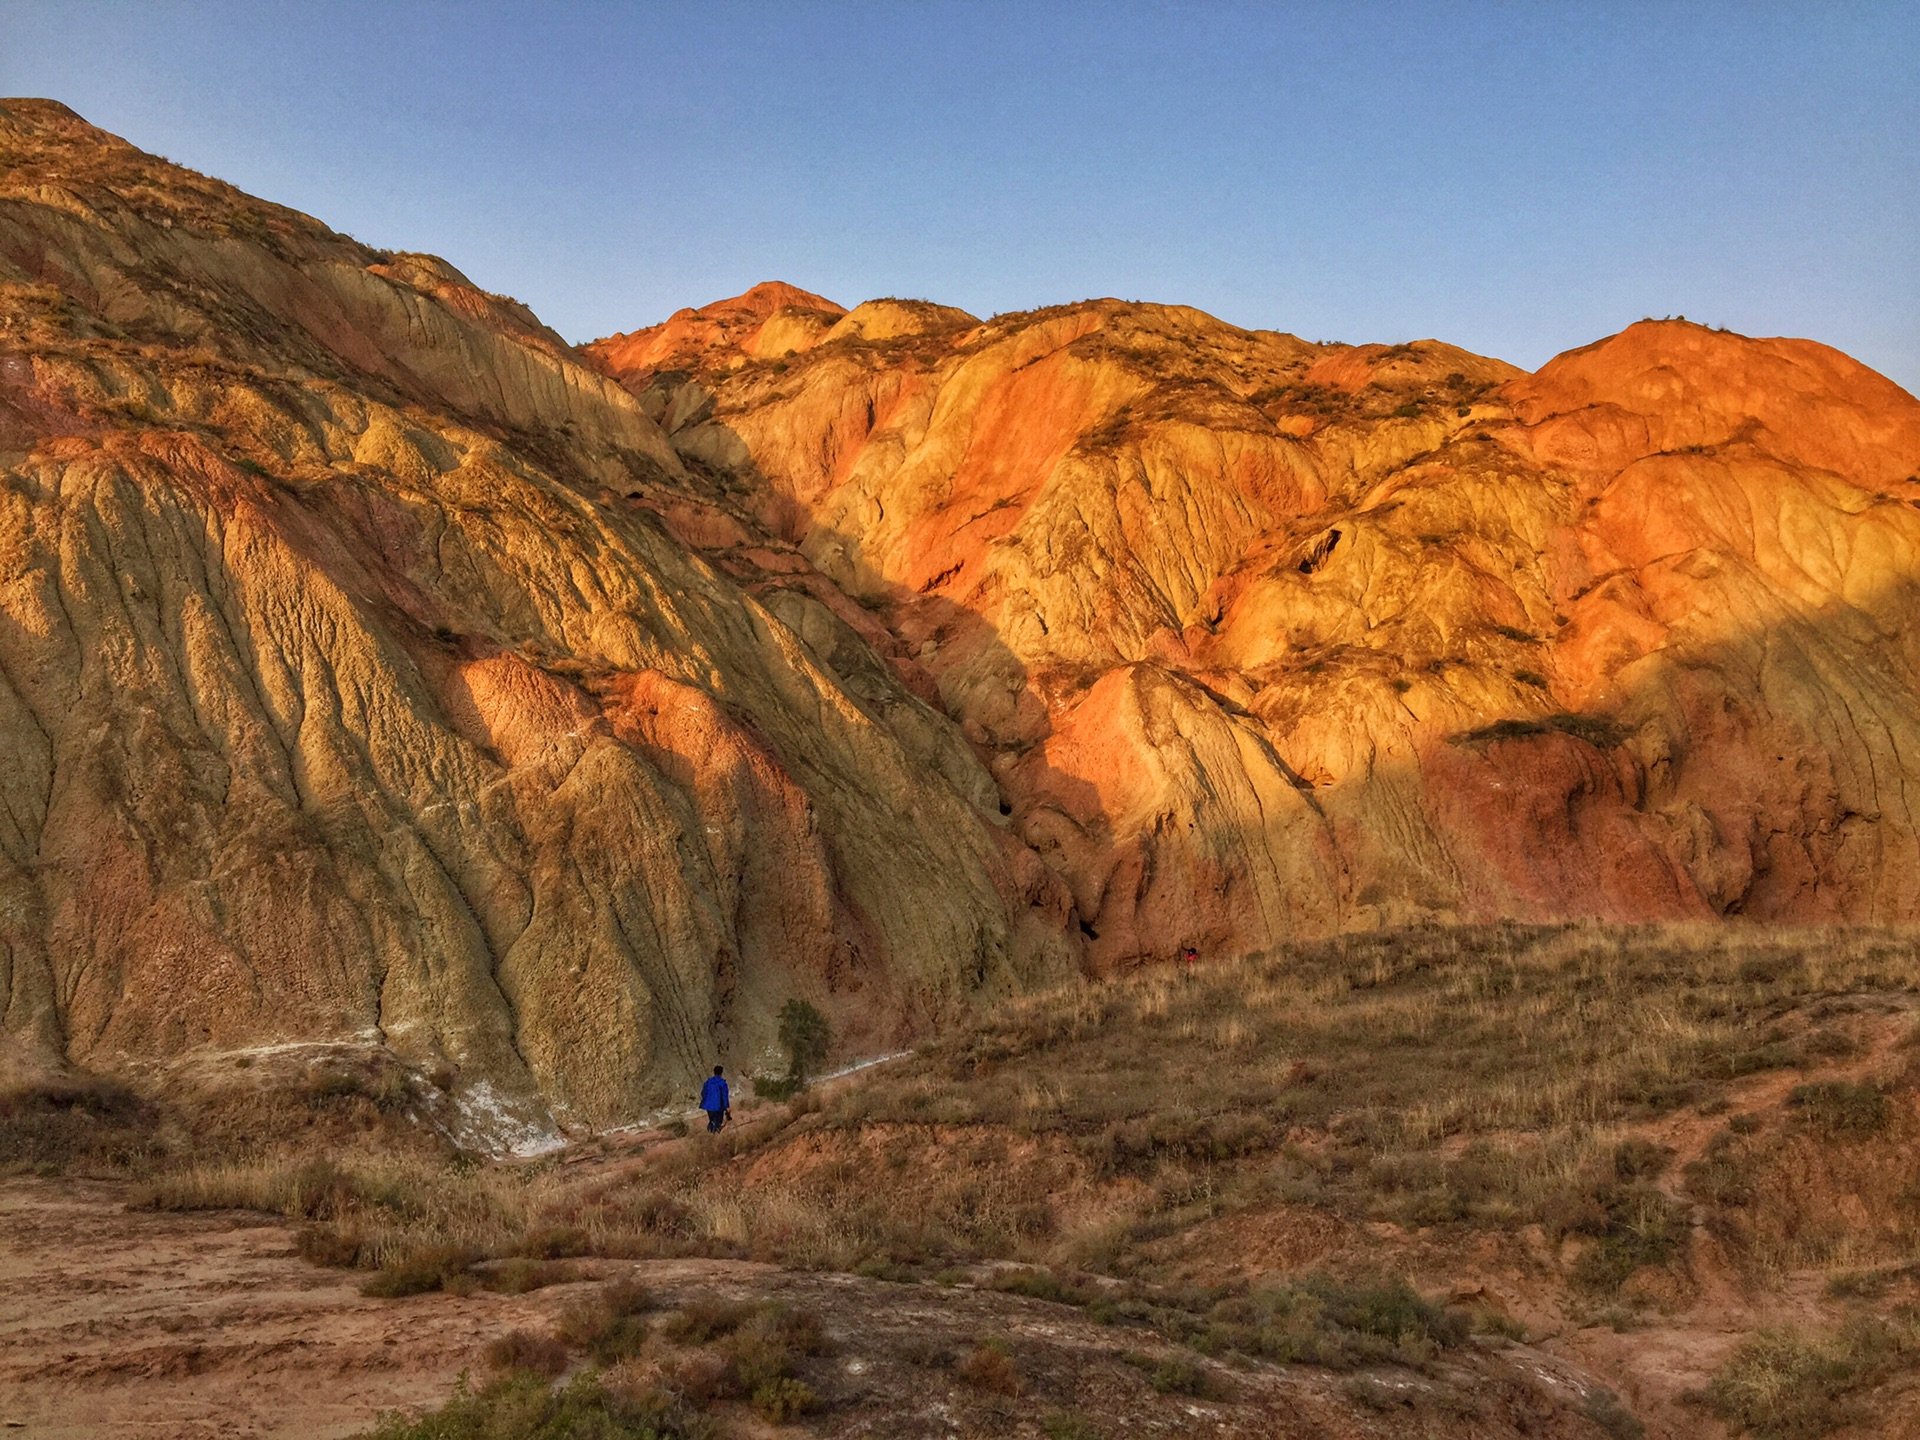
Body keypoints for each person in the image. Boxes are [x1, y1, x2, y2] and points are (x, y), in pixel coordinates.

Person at [700, 1064, 731, 1133]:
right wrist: (727, 1107)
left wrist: (707, 1100)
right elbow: (724, 1096)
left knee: (712, 1120)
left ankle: (710, 1133)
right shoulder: (722, 1083)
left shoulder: (708, 1082)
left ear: (714, 1072)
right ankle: (715, 1134)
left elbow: (703, 1093)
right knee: (718, 1122)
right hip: (718, 1106)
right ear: (721, 1072)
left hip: (709, 1106)